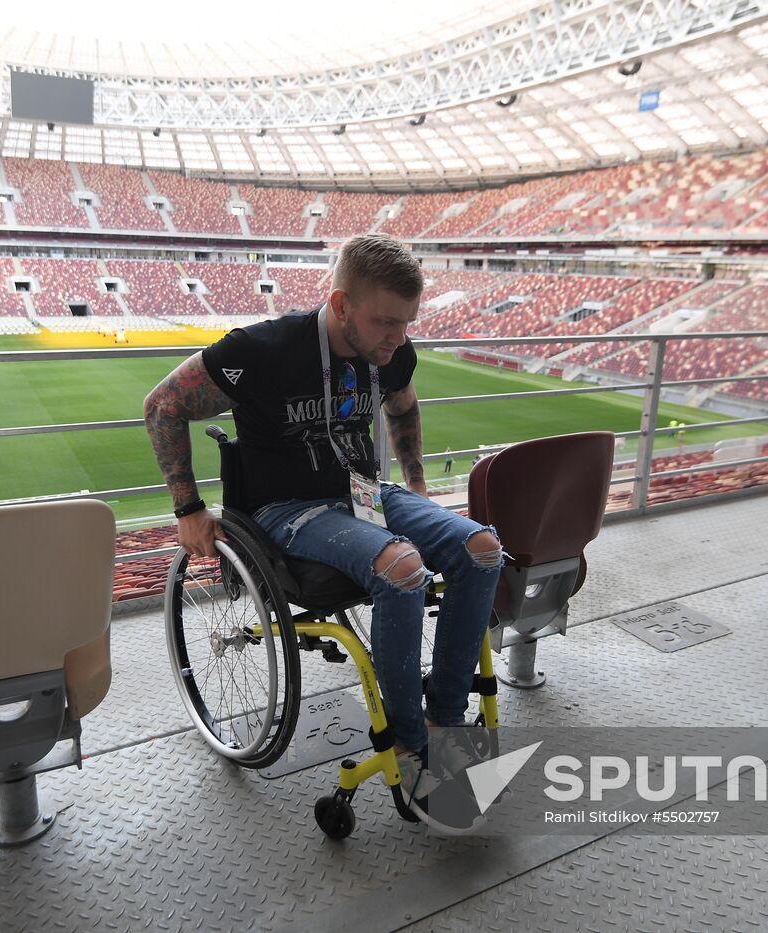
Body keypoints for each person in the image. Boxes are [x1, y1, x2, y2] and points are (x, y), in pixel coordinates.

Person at [144, 234, 502, 829]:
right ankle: (410, 745)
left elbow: (403, 404)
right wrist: (188, 509)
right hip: (285, 508)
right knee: (403, 569)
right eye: (385, 322)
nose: (398, 337)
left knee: (483, 550)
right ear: (340, 306)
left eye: (407, 323)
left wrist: (413, 483)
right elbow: (162, 406)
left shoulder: (390, 351)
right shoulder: (262, 350)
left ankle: (444, 715)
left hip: (363, 494)